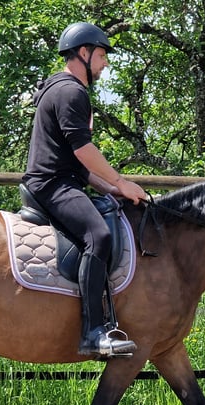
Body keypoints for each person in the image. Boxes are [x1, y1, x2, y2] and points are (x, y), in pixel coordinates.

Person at [22, 22, 147, 357]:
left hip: (63, 180)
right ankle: (94, 332)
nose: (105, 63)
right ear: (83, 53)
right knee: (99, 235)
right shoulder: (71, 92)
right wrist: (121, 180)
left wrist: (113, 189)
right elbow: (83, 150)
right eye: (102, 55)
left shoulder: (61, 89)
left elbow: (79, 166)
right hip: (51, 185)